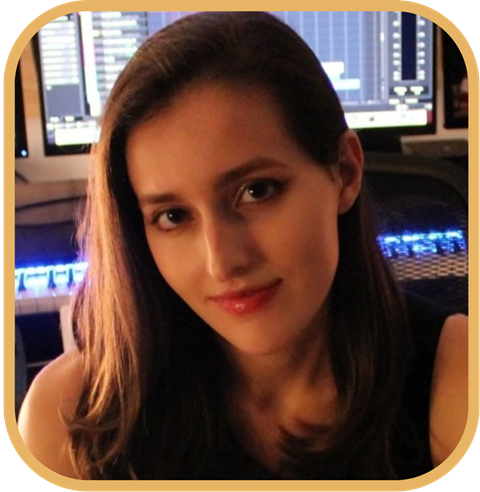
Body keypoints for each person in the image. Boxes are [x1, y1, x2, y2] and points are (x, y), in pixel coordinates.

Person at [18, 11, 468, 480]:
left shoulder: (458, 380)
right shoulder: (67, 419)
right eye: (173, 216)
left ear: (345, 173)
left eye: (257, 191)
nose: (222, 262)